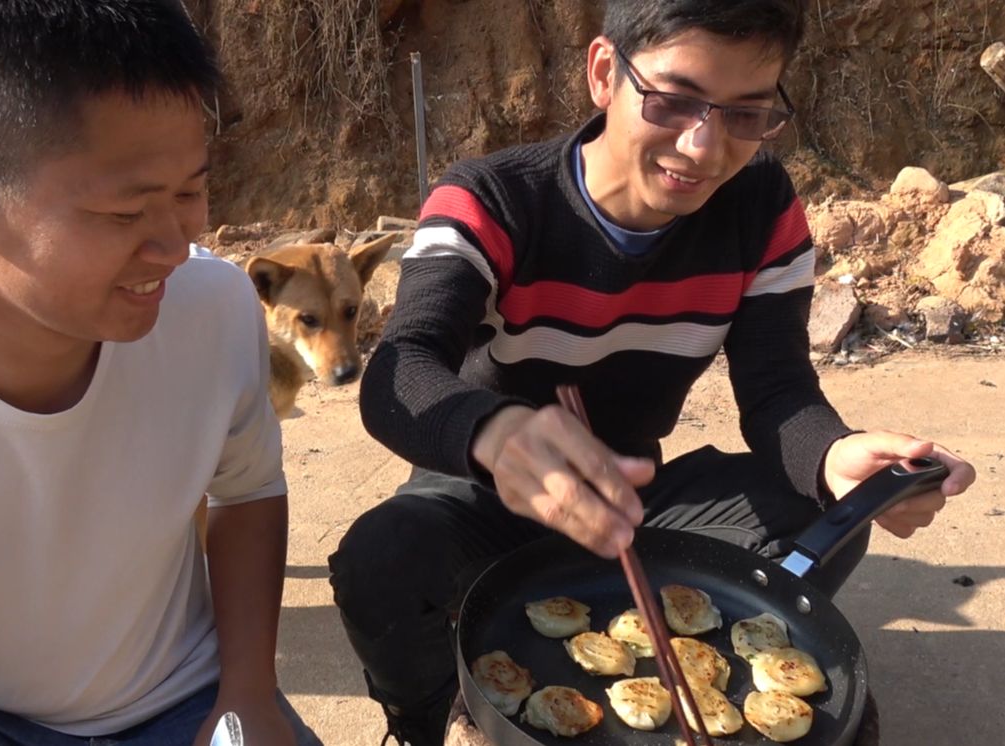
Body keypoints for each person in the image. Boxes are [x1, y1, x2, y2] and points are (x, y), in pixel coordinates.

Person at [328, 1, 977, 743]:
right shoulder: (492, 199)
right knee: (383, 557)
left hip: (632, 496)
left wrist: (833, 456)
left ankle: (672, 666)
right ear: (604, 73)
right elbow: (400, 367)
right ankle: (428, 719)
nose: (702, 147)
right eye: (672, 101)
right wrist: (494, 432)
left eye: (745, 113)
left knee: (826, 516)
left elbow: (776, 390)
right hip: (484, 488)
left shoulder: (759, 208)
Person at [0, 2, 320, 745]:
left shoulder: (210, 308)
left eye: (189, 193)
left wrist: (248, 692)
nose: (175, 248)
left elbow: (246, 490)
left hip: (180, 699)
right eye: (126, 213)